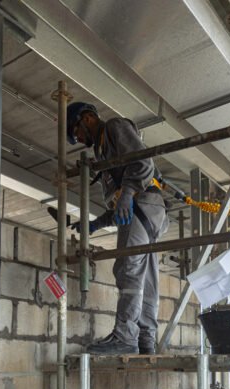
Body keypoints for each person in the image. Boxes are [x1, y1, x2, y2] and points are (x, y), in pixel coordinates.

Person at [67, 101, 168, 355]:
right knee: (146, 276)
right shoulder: (102, 152)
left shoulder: (113, 127)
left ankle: (125, 337)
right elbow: (120, 210)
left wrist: (129, 192)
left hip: (143, 203)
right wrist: (97, 223)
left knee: (127, 269)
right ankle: (146, 338)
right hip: (146, 208)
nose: (79, 139)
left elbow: (143, 163)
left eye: (76, 132)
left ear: (87, 119)